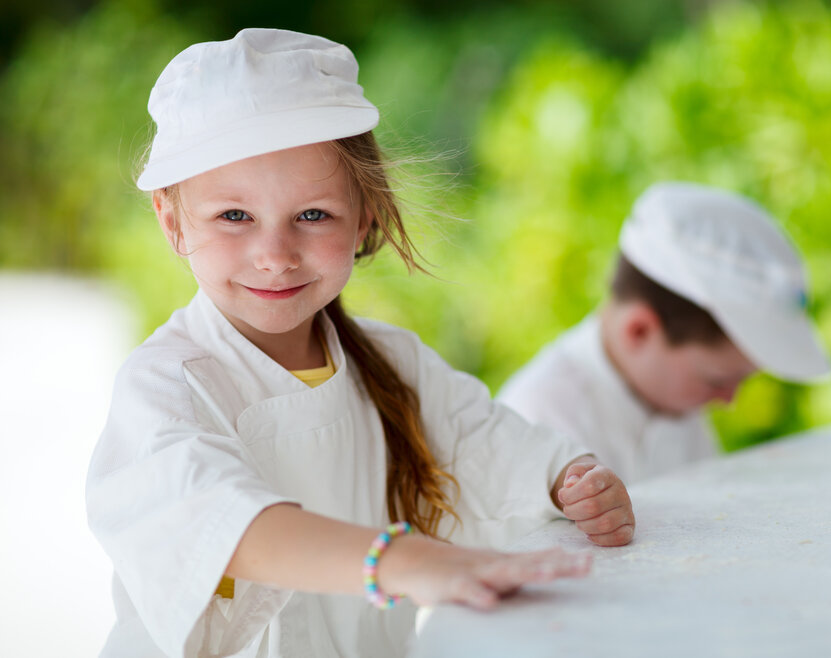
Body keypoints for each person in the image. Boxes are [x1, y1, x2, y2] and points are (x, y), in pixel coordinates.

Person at [85, 29, 635, 657]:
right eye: (234, 216)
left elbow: (489, 449)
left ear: (366, 214)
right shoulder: (166, 385)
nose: (274, 256)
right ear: (171, 219)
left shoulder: (394, 364)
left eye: (312, 215)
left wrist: (566, 478)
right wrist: (400, 561)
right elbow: (217, 525)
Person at [498, 182, 831, 481]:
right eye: (716, 380)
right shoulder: (537, 421)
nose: (729, 400)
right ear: (639, 331)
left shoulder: (674, 400)